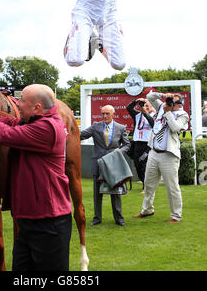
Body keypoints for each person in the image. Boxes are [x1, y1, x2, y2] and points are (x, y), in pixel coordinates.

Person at [0, 84, 72, 271]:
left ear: (37, 107)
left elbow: (4, 133)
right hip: (28, 220)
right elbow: (11, 123)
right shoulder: (36, 121)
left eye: (22, 100)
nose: (18, 104)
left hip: (49, 224)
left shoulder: (48, 127)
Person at [134, 91, 189, 223]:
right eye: (170, 101)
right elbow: (149, 97)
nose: (169, 103)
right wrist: (163, 96)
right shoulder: (161, 107)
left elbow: (175, 128)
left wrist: (168, 112)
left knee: (172, 187)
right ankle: (147, 210)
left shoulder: (183, 114)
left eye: (173, 102)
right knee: (148, 184)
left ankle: (176, 215)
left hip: (169, 155)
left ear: (179, 104)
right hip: (154, 151)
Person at [80, 104, 130, 226]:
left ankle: (119, 219)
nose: (105, 116)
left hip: (114, 165)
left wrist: (119, 151)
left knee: (116, 193)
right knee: (97, 193)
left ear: (113, 114)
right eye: (103, 113)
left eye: (107, 113)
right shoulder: (95, 126)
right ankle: (97, 218)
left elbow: (127, 145)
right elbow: (81, 135)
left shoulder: (120, 127)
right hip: (98, 164)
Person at [126, 98, 156, 192]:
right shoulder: (137, 115)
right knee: (137, 165)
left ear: (151, 107)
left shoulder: (154, 115)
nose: (144, 107)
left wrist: (145, 112)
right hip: (136, 143)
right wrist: (136, 101)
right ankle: (144, 182)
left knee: (144, 164)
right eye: (143, 105)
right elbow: (129, 108)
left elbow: (152, 123)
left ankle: (146, 186)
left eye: (147, 105)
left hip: (147, 144)